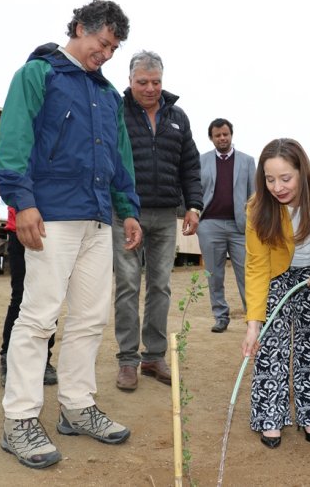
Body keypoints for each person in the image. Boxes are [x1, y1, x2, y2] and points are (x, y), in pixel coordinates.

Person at [0, 0, 142, 469]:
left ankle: (77, 407)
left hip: (97, 218)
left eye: (114, 48)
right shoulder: (37, 74)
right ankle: (19, 419)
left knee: (89, 319)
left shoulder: (109, 95)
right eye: (103, 44)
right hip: (50, 215)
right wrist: (23, 202)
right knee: (38, 317)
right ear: (80, 28)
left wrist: (128, 208)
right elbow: (15, 140)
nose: (108, 55)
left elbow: (120, 157)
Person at [242, 138, 310, 449]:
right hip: (277, 271)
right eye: (270, 179)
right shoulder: (256, 208)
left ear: (302, 171)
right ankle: (270, 419)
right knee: (271, 343)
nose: (278, 187)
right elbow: (257, 267)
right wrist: (253, 325)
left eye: (286, 178)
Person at [113, 50, 202, 391]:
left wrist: (193, 205)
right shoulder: (116, 112)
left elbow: (190, 166)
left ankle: (154, 355)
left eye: (156, 82)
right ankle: (127, 360)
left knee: (160, 285)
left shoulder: (178, 116)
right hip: (126, 213)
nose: (150, 88)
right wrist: (122, 208)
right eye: (142, 82)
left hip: (166, 214)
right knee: (127, 285)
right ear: (130, 81)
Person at [196, 118, 255, 333]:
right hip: (209, 224)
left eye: (225, 134)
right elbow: (194, 191)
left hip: (240, 227)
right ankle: (221, 316)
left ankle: (254, 316)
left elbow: (253, 195)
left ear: (231, 135)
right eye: (217, 135)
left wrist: (253, 223)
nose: (222, 138)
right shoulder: (201, 161)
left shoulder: (248, 161)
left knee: (247, 273)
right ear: (211, 138)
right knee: (214, 275)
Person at [0, 206, 57, 387]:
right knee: (20, 297)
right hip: (21, 228)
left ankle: (43, 359)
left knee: (51, 297)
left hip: (55, 229)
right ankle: (8, 358)